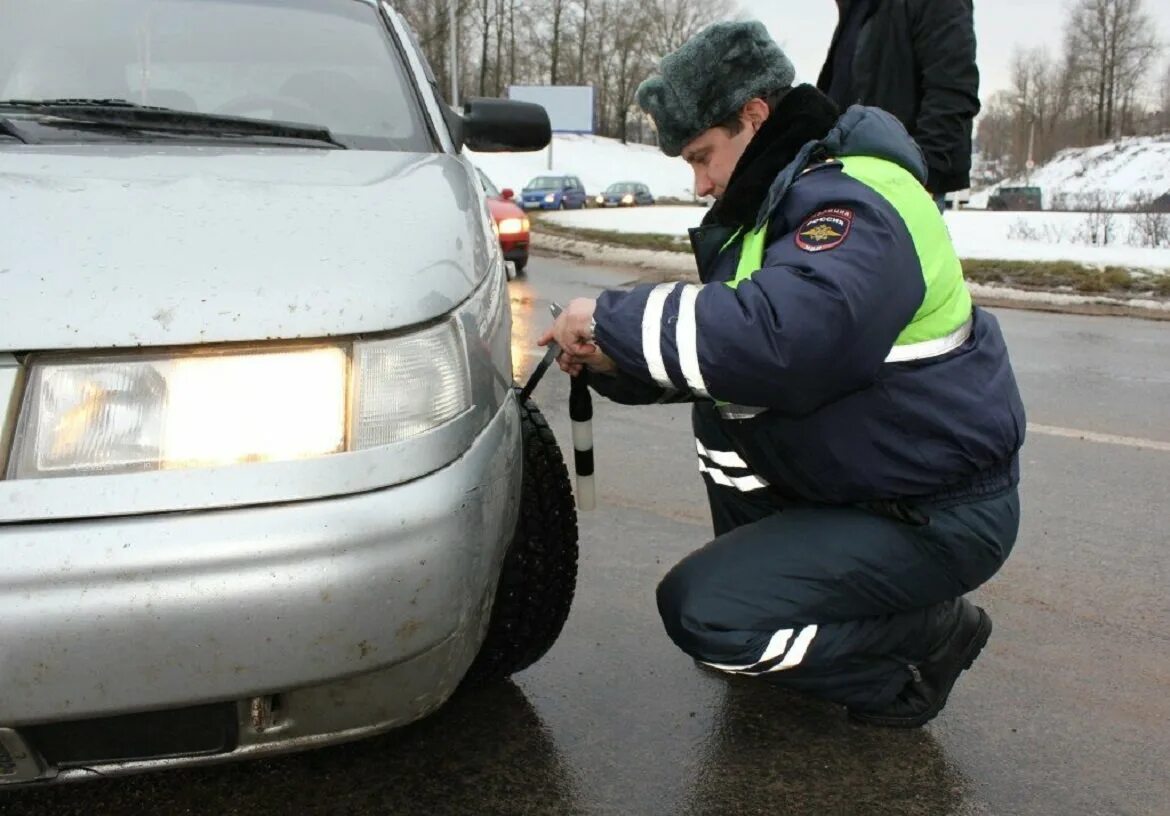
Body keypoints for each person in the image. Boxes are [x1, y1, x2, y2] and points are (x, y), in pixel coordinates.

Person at [538, 20, 1025, 728]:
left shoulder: (856, 198)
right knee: (722, 414)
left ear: (755, 115)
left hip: (937, 511)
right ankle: (774, 604)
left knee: (706, 616)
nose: (701, 183)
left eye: (704, 156)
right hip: (870, 484)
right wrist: (612, 359)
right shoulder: (781, 206)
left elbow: (785, 341)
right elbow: (727, 352)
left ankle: (925, 645)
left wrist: (613, 319)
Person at [817, 0, 980, 208]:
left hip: (901, 185)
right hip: (841, 178)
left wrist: (925, 174)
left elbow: (952, 92)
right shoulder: (860, 9)